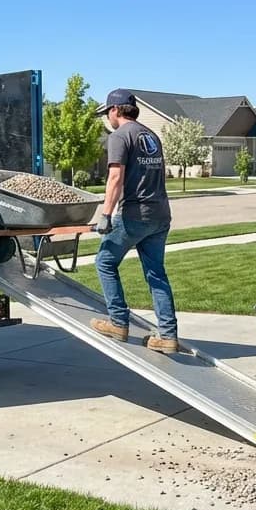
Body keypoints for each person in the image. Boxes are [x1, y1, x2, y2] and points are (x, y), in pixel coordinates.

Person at [88, 89, 179, 354]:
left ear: (115, 110)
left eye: (107, 112)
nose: (107, 118)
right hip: (160, 214)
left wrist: (105, 215)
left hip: (134, 215)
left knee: (104, 262)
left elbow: (115, 178)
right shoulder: (151, 136)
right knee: (156, 274)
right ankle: (168, 336)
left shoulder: (119, 136)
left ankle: (118, 322)